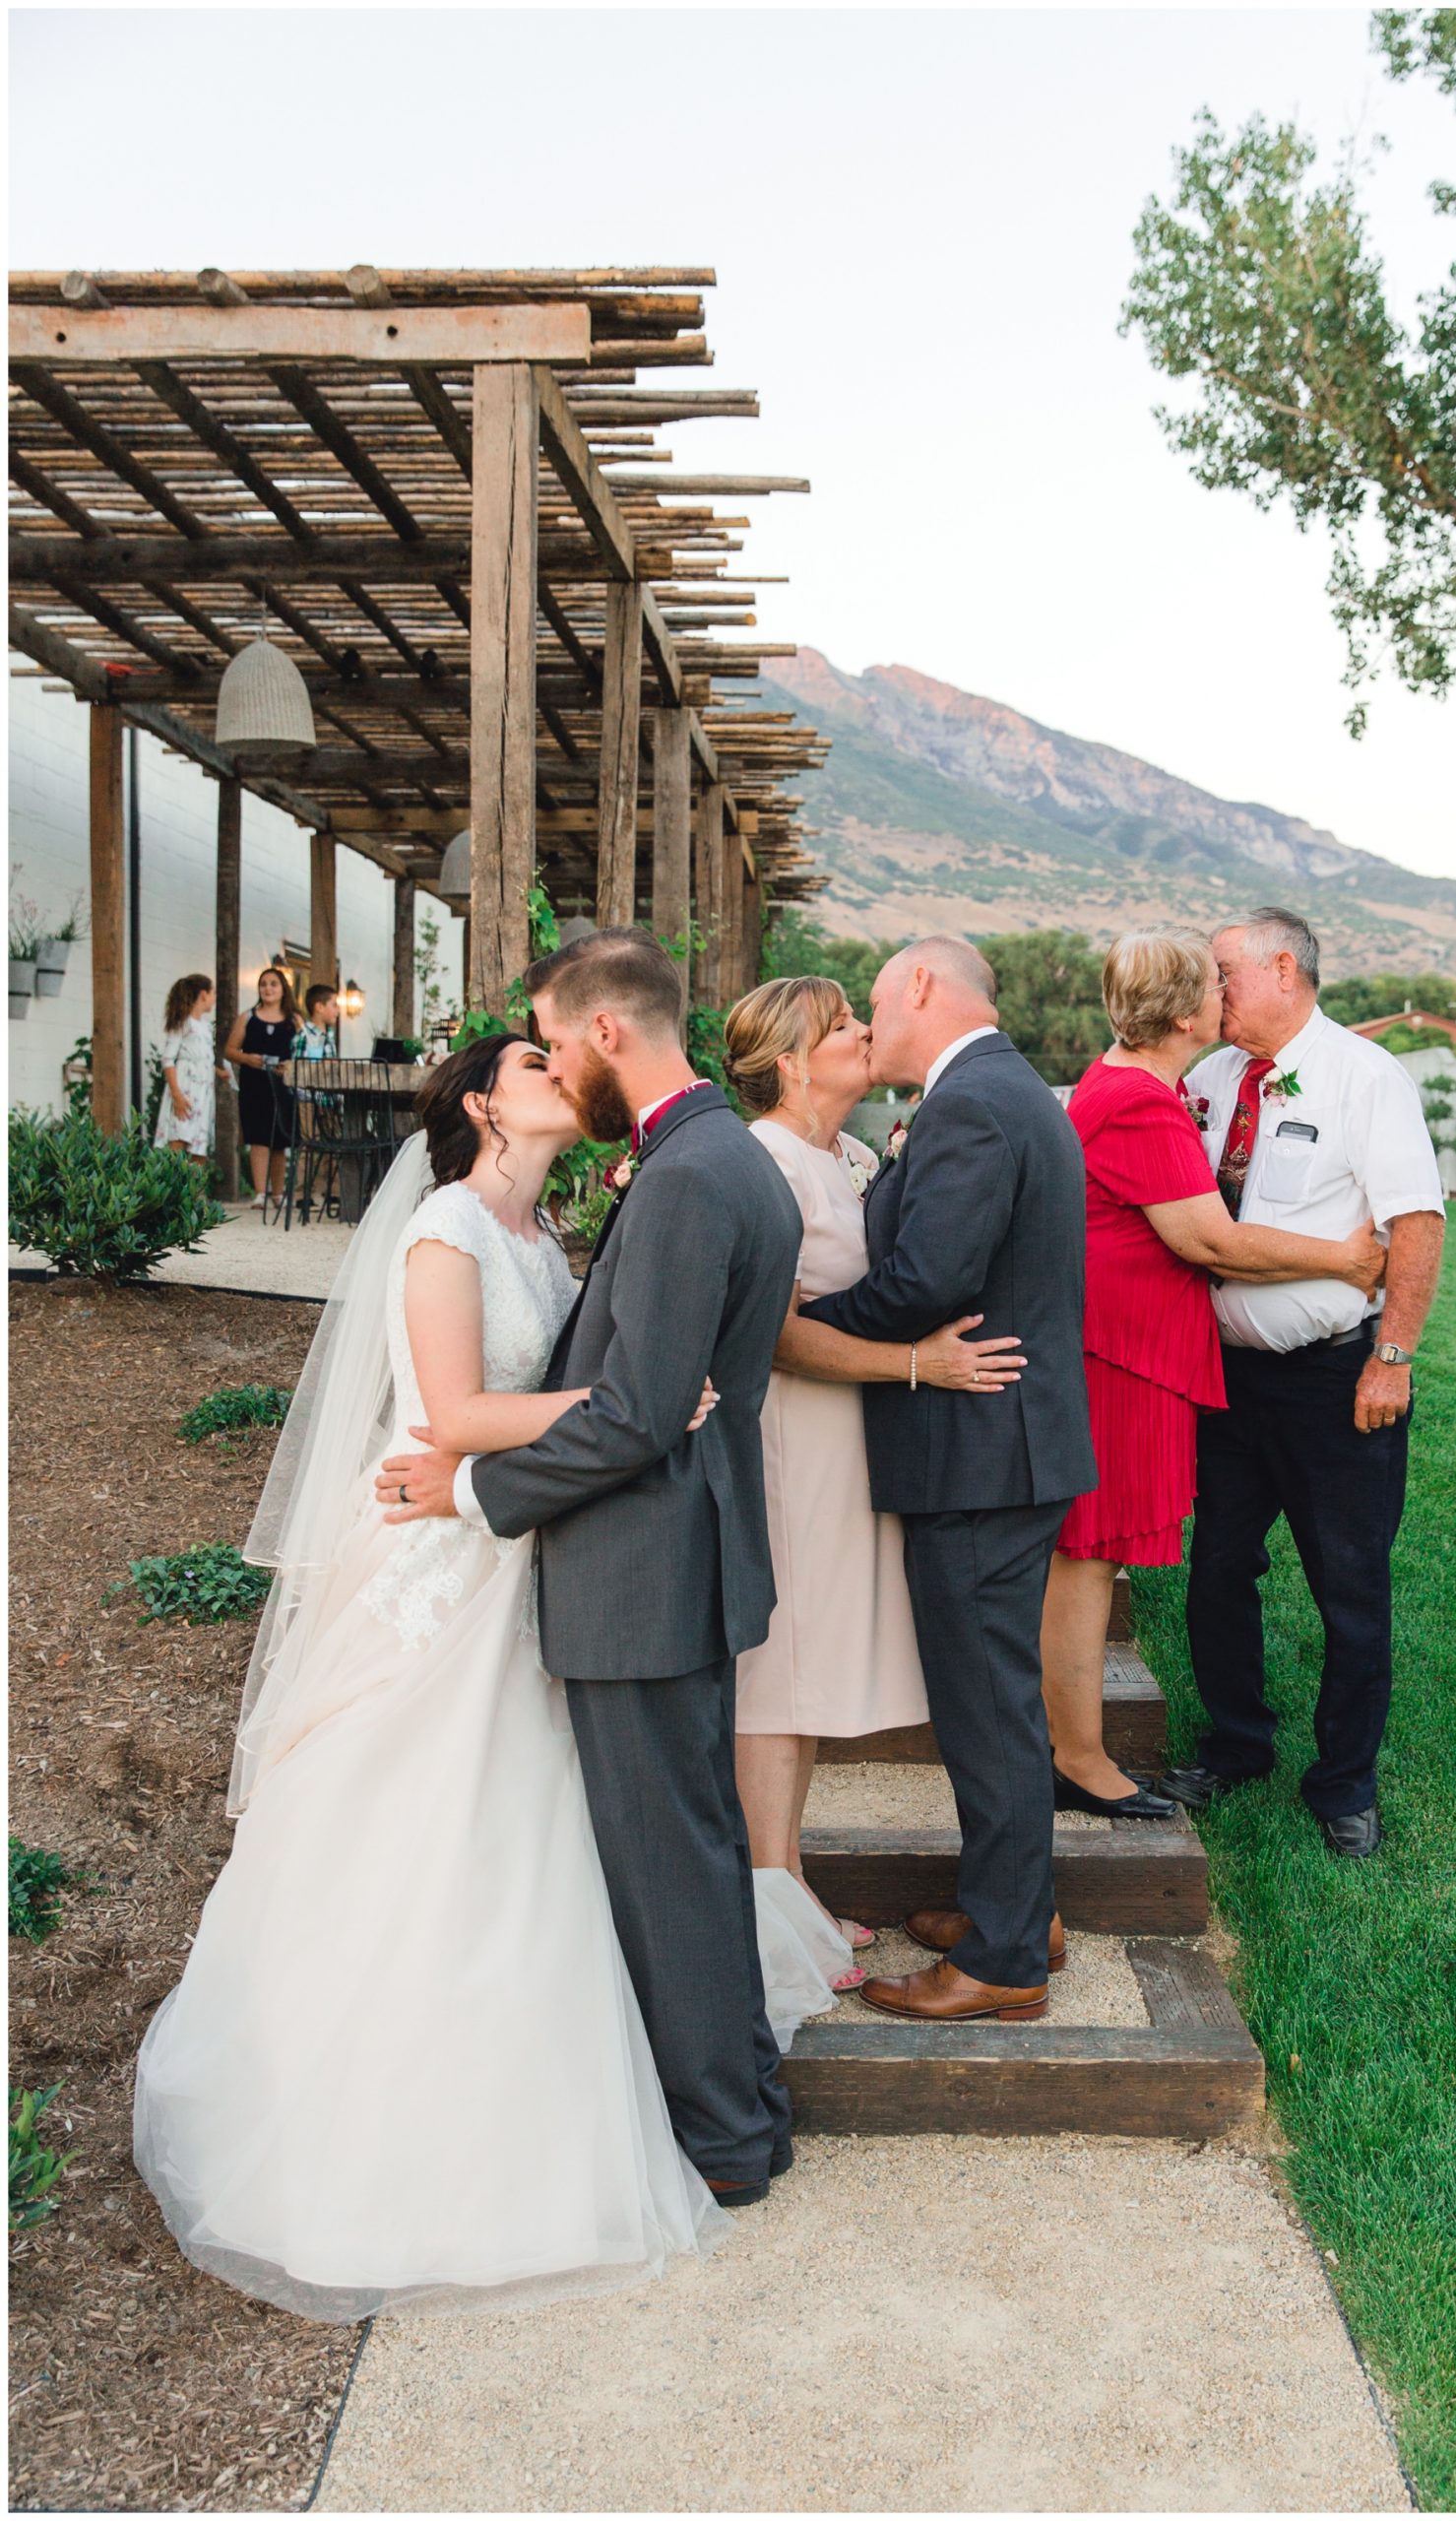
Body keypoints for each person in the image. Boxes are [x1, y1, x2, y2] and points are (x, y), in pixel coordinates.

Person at [133, 1032, 728, 2319]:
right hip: (433, 1561)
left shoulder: (539, 1239)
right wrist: (640, 1402)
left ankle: (531, 2112)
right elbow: (453, 1413)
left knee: (522, 1832)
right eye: (533, 1061)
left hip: (512, 1556)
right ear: (477, 1103)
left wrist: (623, 1400)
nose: (564, 1070)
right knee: (410, 1818)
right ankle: (363, 2135)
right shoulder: (447, 1232)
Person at [377, 929, 806, 2207]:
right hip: (675, 1564)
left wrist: (467, 1489)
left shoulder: (686, 1176)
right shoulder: (718, 1154)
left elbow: (631, 1417)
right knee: (693, 1848)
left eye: (558, 1039)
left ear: (606, 1031)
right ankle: (748, 2114)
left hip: (645, 1575)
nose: (558, 1064)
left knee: (670, 1864)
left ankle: (726, 2138)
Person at [800, 938, 1096, 2023]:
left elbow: (928, 1280)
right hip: (1001, 1444)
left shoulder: (972, 1101)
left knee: (985, 1707)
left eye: (876, 1001)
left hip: (981, 1447)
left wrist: (787, 1328)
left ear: (921, 985)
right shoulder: (994, 1088)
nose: (871, 1022)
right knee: (990, 1700)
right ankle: (1016, 1905)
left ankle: (1007, 1959)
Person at [723, 976, 1032, 1999]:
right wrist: (916, 1366)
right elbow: (767, 1330)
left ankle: (791, 1884)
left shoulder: (847, 1155)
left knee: (803, 1671)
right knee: (774, 1669)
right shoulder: (763, 1160)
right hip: (790, 1436)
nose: (863, 1030)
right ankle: (765, 1908)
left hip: (845, 1440)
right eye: (841, 1026)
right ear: (791, 1063)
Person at [1042, 926, 1387, 1817]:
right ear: (1189, 1009)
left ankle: (1070, 1748)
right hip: (1119, 1355)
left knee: (1093, 1553)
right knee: (1086, 1557)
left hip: (1130, 1349)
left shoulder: (1144, 1085)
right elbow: (1207, 1239)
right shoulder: (1145, 1101)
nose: (1225, 997)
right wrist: (1345, 1262)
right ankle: (1077, 1758)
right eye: (1216, 983)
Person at [1158, 907, 1446, 1859]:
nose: (1213, 991)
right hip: (1226, 1382)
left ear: (1285, 969)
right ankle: (1236, 1746)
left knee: (1350, 1586)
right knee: (1218, 1570)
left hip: (1334, 1381)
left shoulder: (1366, 1076)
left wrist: (1391, 1359)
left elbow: (1416, 1222)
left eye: (1224, 973)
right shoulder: (1207, 1080)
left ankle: (1345, 1785)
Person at [223, 966, 298, 1205]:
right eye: (263, 984)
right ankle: (259, 1193)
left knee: (280, 1139)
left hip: (283, 1084)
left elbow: (306, 1050)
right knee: (259, 1137)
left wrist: (290, 1065)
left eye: (273, 984)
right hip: (255, 1083)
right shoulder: (247, 1017)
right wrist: (248, 1059)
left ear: (283, 989)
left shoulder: (294, 1020)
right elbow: (230, 1050)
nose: (268, 988)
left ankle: (278, 1194)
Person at [152, 973, 228, 1163]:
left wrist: (218, 1072)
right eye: (213, 993)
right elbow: (168, 1060)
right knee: (179, 1138)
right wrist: (177, 1095)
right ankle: (172, 1188)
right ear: (203, 995)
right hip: (185, 1090)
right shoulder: (182, 1023)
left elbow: (202, 1058)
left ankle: (194, 1191)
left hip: (203, 1092)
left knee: (199, 1144)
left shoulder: (204, 1027)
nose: (214, 998)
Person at [294, 983, 340, 1058]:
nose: (338, 1010)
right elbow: (300, 1067)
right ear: (319, 1007)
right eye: (334, 1005)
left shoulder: (330, 1033)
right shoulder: (304, 1036)